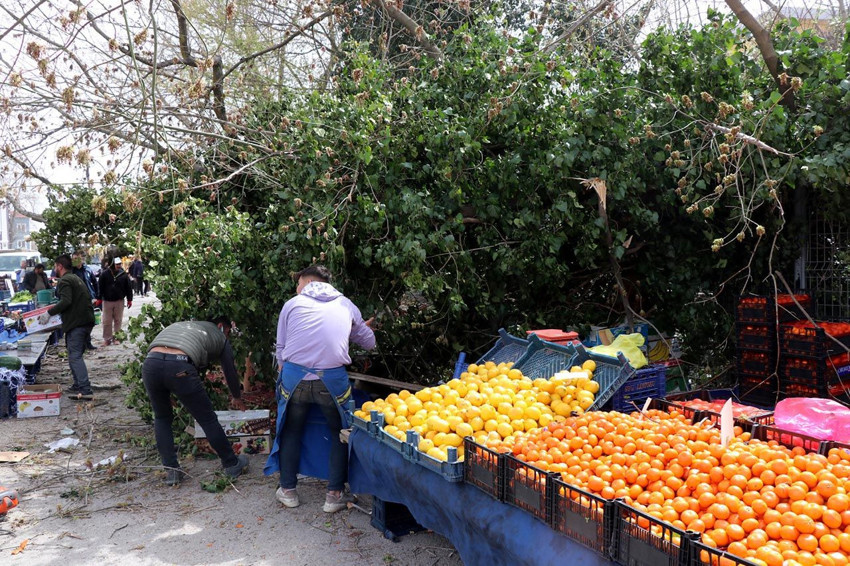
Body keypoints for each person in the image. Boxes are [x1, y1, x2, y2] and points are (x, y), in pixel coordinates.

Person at [263, 265, 375, 513]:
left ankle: (288, 490)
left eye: (298, 283)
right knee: (340, 433)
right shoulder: (346, 305)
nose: (296, 288)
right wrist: (361, 329)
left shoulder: (292, 304)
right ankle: (334, 495)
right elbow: (369, 342)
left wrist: (286, 370)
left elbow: (281, 347)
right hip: (332, 380)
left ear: (306, 281)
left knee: (291, 429)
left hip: (294, 378)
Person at [142, 317, 249, 486]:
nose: (227, 336)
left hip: (150, 364)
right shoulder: (219, 336)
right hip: (179, 365)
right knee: (207, 418)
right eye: (228, 332)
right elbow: (229, 370)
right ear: (221, 326)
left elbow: (163, 359)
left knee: (162, 418)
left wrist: (167, 389)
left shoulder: (183, 326)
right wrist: (236, 396)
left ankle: (172, 472)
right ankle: (231, 463)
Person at [38, 254, 95, 400]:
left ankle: (85, 389)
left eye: (56, 266)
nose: (55, 269)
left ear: (60, 266)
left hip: (78, 323)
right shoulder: (75, 278)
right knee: (73, 354)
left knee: (75, 356)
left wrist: (48, 313)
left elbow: (66, 301)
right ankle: (78, 385)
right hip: (85, 321)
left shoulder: (64, 281)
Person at [97, 257, 132, 346]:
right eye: (117, 264)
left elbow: (128, 287)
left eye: (120, 264)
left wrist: (129, 299)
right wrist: (99, 298)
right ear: (112, 265)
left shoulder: (123, 274)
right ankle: (107, 339)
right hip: (107, 301)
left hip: (119, 301)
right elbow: (100, 287)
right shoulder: (104, 274)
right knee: (106, 321)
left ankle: (117, 338)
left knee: (118, 320)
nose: (119, 266)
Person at [71, 252, 99, 351]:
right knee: (80, 323)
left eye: (77, 258)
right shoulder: (71, 272)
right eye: (73, 258)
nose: (75, 260)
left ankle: (88, 342)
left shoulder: (87, 269)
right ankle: (82, 343)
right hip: (77, 301)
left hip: (90, 300)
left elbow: (95, 283)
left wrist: (97, 296)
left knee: (90, 322)